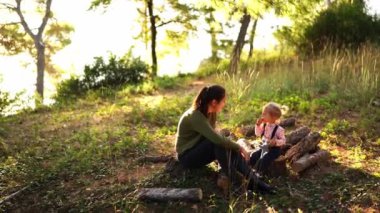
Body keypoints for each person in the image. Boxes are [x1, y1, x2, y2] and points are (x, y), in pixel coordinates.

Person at [175, 85, 274, 194]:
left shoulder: (211, 113)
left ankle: (254, 181)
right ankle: (237, 182)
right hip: (187, 156)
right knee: (218, 143)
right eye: (223, 101)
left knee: (225, 145)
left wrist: (234, 148)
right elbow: (216, 139)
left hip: (198, 148)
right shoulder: (195, 116)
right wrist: (240, 147)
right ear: (214, 102)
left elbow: (214, 136)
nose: (224, 103)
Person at [250, 102, 286, 175]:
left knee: (265, 159)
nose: (262, 115)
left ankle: (259, 173)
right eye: (262, 113)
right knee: (254, 155)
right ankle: (250, 168)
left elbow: (283, 141)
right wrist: (257, 125)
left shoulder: (279, 129)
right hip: (265, 146)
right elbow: (258, 134)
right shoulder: (264, 125)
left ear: (273, 117)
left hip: (274, 150)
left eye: (265, 114)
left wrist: (276, 142)